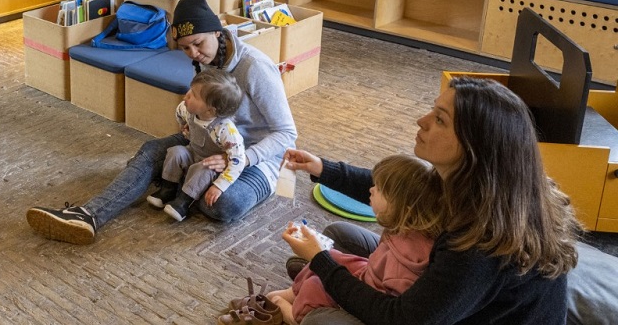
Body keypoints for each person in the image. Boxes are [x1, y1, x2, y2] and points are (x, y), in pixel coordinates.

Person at [278, 76, 580, 325]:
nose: (421, 121)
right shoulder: (478, 182)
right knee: (337, 234)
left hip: (427, 316)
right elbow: (398, 192)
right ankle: (323, 281)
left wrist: (322, 263)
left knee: (322, 320)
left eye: (439, 120)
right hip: (441, 293)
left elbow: (402, 319)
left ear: (473, 146)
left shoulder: (480, 244)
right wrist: (322, 169)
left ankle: (310, 297)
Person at [26, 0, 297, 244]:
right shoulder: (205, 59)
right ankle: (88, 215)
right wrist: (189, 124)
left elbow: (286, 134)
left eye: (198, 43)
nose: (194, 53)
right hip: (208, 140)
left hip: (252, 156)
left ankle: (174, 183)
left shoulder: (255, 66)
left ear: (217, 31)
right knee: (150, 151)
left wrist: (240, 158)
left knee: (226, 204)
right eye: (185, 48)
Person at [265, 155, 442, 324]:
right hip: (372, 274)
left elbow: (386, 308)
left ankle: (294, 317)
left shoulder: (403, 268)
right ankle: (293, 291)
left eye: (378, 188)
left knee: (315, 285)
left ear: (401, 207)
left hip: (376, 298)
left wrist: (320, 260)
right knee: (332, 252)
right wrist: (321, 167)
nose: (371, 189)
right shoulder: (408, 224)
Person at [146, 69, 245, 222]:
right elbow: (178, 113)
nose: (186, 96)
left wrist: (219, 186)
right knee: (175, 152)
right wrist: (184, 126)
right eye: (189, 90)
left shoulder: (226, 130)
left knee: (203, 168)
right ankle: (167, 189)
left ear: (210, 110)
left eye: (193, 95)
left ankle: (184, 202)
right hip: (193, 152)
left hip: (209, 165)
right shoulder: (187, 109)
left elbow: (238, 160)